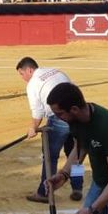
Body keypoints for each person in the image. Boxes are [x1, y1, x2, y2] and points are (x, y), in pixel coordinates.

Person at [46, 83, 108, 214]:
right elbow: (80, 147)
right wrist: (64, 174)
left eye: (59, 113)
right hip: (100, 181)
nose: (58, 118)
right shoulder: (75, 120)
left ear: (74, 109)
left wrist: (92, 210)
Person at [16, 57, 83, 204]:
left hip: (59, 117)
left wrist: (33, 128)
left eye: (22, 74)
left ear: (29, 70)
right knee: (75, 154)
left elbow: (37, 112)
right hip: (76, 114)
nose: (23, 78)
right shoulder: (55, 71)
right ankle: (77, 188)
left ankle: (44, 192)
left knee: (50, 157)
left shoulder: (33, 83)